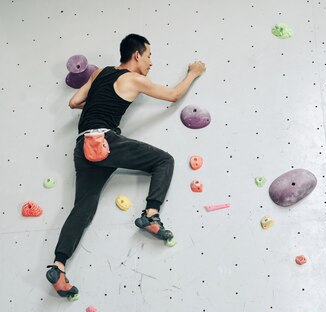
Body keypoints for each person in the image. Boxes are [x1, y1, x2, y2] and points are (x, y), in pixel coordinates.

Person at [46, 33, 206, 298]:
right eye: (149, 56)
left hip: (82, 146)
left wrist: (101, 99)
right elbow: (174, 95)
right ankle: (151, 215)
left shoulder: (100, 74)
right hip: (105, 141)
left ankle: (59, 266)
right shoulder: (134, 78)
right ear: (137, 55)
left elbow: (74, 102)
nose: (151, 62)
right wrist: (194, 72)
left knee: (83, 207)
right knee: (164, 160)